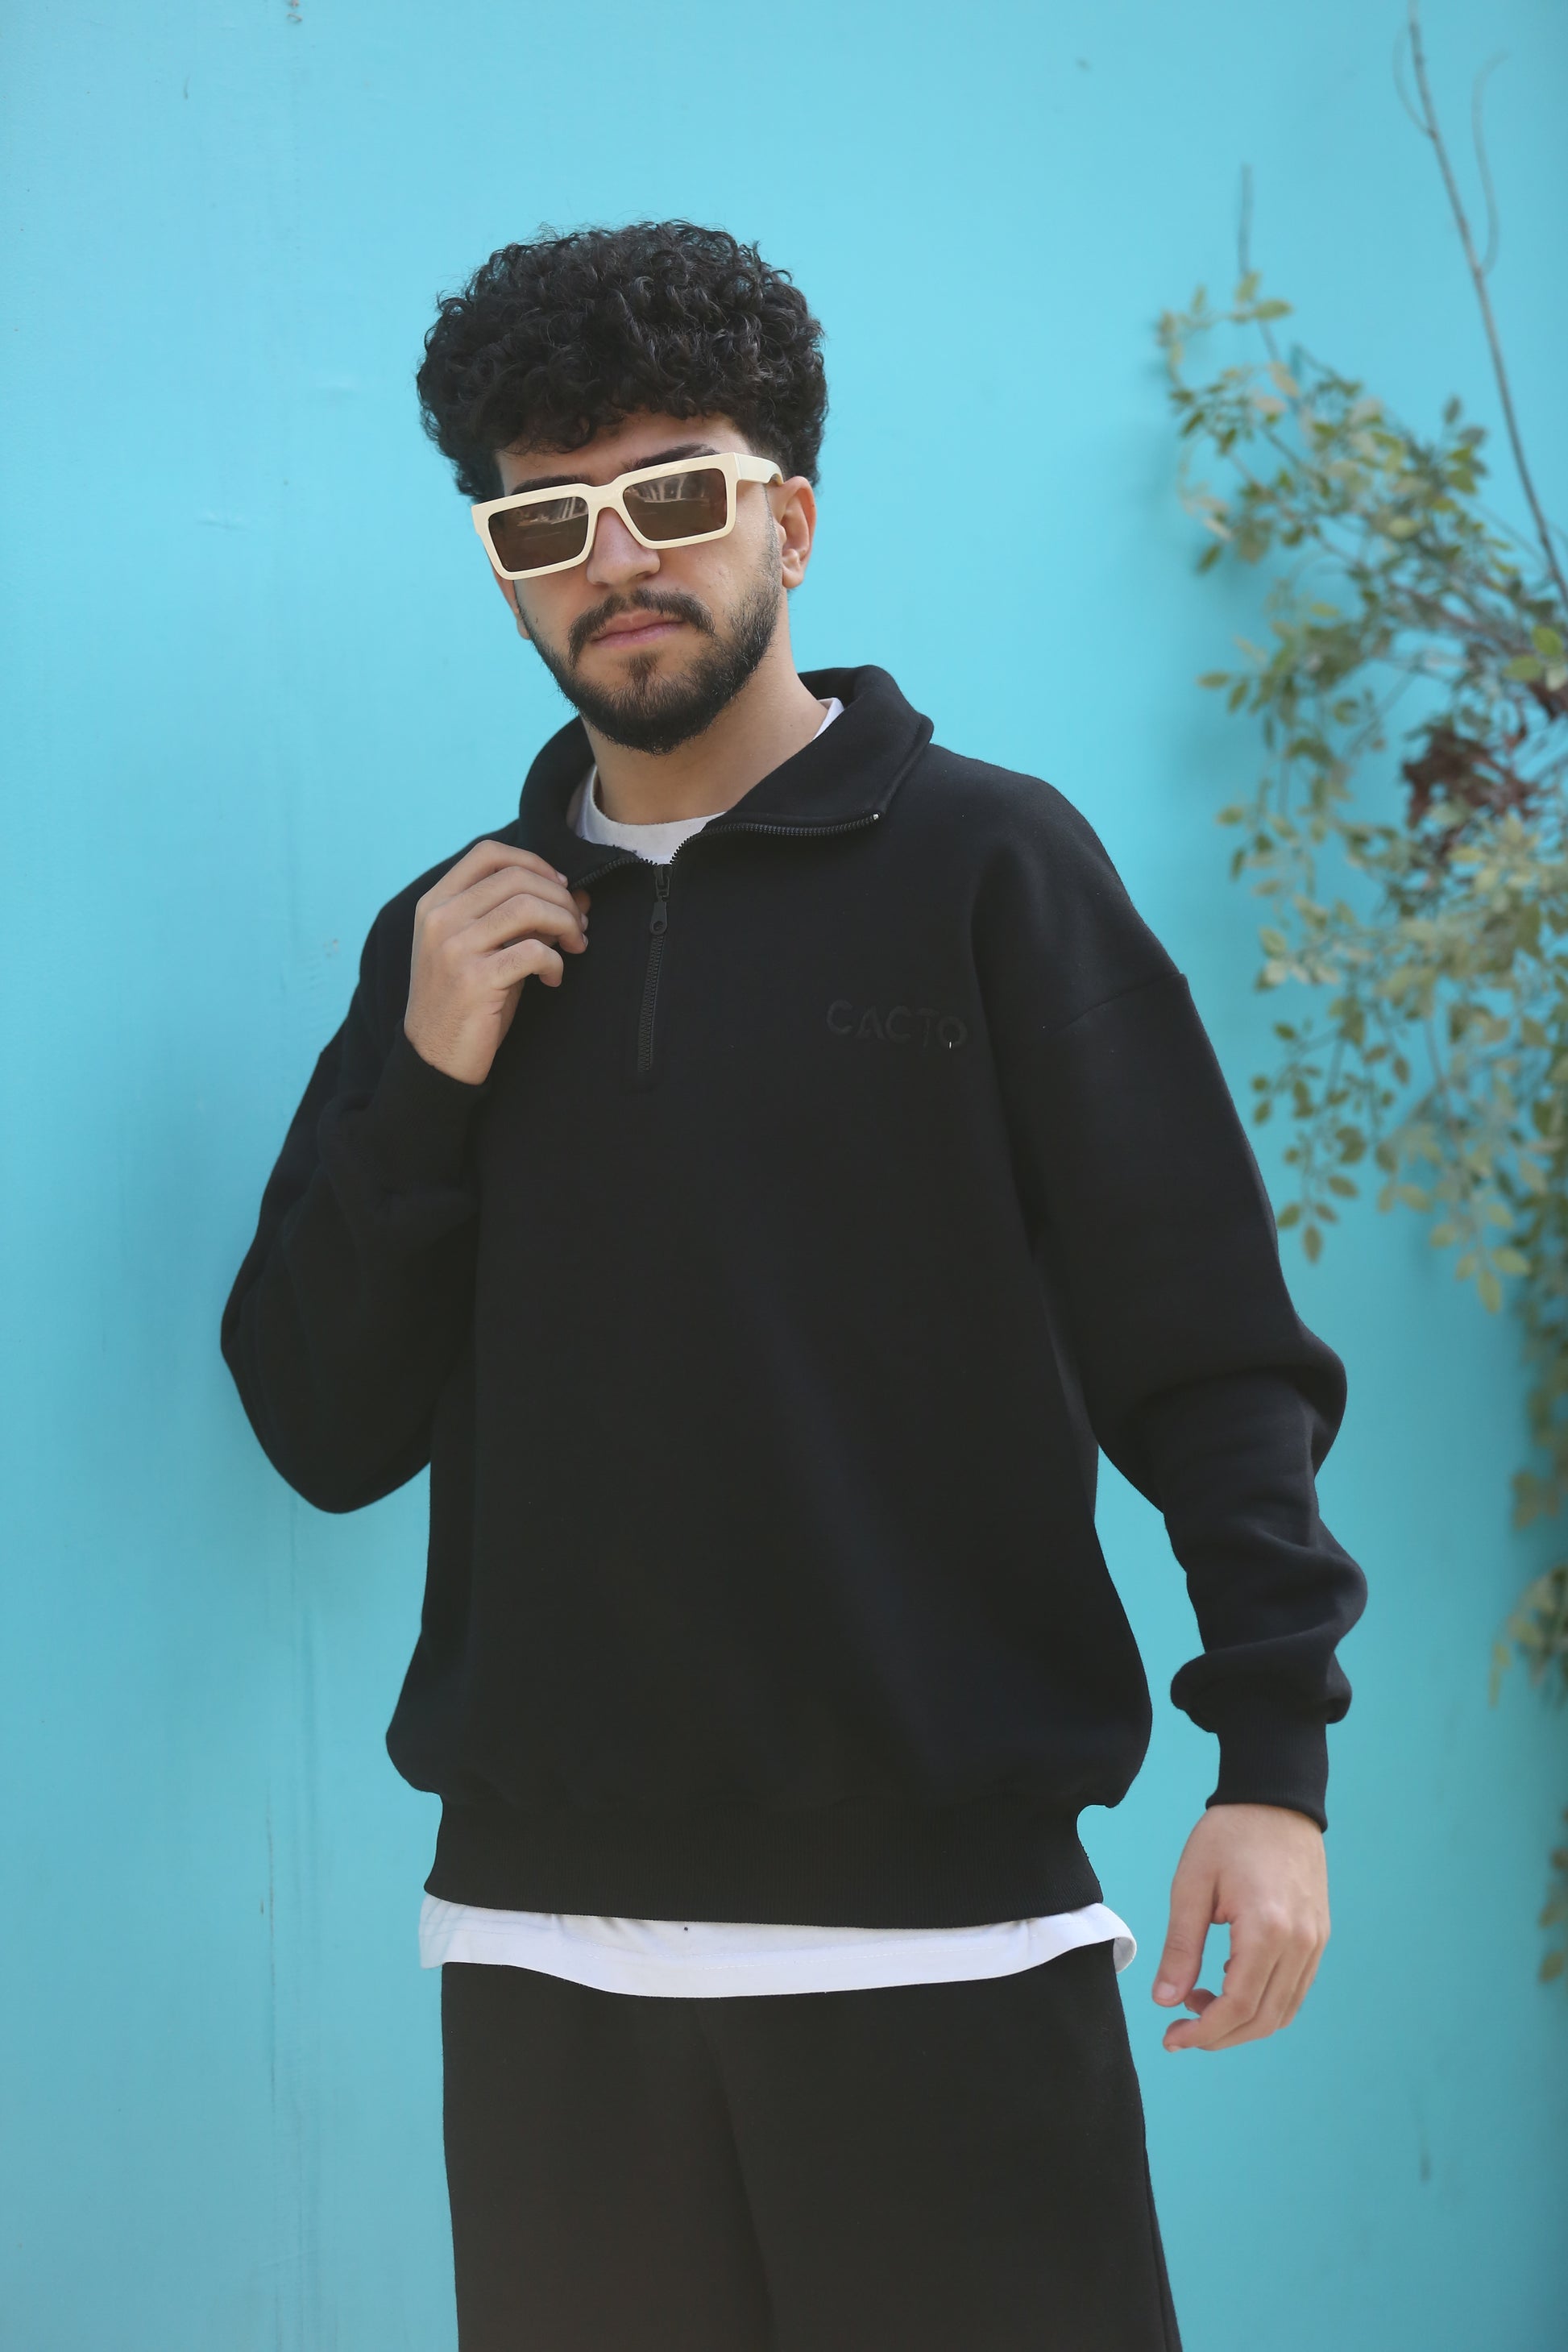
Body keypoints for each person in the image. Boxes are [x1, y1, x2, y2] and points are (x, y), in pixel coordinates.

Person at [222, 221, 1367, 2352]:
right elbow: (317, 1424)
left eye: (672, 493)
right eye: (544, 522)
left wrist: (1272, 1770)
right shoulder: (448, 940)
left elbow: (1206, 1354)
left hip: (941, 1940)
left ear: (790, 521)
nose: (614, 561)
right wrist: (429, 1082)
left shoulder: (992, 871)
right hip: (541, 1951)